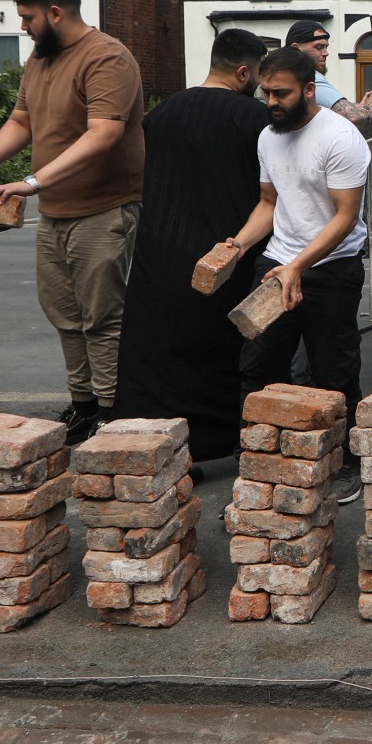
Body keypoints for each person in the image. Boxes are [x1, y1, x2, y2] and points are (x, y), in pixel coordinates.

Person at [0, 0, 145, 445]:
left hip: (103, 210)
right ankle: (83, 404)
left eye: (28, 18)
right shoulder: (40, 58)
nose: (23, 27)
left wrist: (30, 183)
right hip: (57, 212)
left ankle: (111, 409)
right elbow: (22, 119)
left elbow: (104, 133)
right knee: (64, 315)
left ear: (55, 13)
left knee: (101, 317)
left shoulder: (106, 57)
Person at [113, 28, 272, 464]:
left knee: (159, 349)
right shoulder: (254, 118)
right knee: (221, 350)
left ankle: (155, 435)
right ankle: (216, 438)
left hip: (160, 248)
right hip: (226, 253)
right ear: (244, 72)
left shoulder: (164, 112)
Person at [226, 47, 372, 501]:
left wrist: (298, 267)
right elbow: (269, 202)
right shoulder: (268, 136)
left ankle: (345, 463)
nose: (271, 101)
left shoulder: (341, 138)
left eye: (281, 93)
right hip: (278, 264)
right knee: (257, 367)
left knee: (334, 371)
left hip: (332, 268)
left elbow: (345, 217)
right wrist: (238, 245)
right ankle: (261, 461)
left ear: (310, 90)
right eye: (266, 92)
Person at [283, 20, 372, 123]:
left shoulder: (283, 72)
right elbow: (347, 113)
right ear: (296, 48)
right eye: (319, 47)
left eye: (326, 47)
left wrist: (359, 108)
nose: (326, 53)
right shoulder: (305, 76)